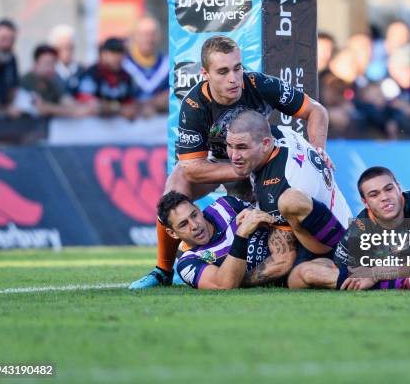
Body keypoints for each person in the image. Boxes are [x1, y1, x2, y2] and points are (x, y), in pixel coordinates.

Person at [130, 35, 329, 289]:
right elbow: (193, 168)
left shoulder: (258, 83)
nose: (234, 79)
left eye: (237, 68)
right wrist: (241, 169)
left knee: (286, 206)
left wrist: (318, 151)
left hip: (262, 162)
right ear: (205, 74)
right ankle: (163, 270)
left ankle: (311, 251)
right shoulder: (194, 104)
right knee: (176, 184)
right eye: (222, 72)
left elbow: (317, 111)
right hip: (227, 166)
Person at [226, 110, 352, 268]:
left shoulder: (280, 186)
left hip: (334, 249)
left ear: (265, 144)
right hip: (342, 220)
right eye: (229, 146)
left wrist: (236, 281)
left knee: (293, 277)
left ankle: (351, 265)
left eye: (242, 148)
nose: (233, 156)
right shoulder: (277, 131)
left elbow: (282, 261)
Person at [145, 191, 296, 290]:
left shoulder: (226, 205)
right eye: (183, 224)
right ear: (173, 234)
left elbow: (271, 217)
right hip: (291, 277)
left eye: (194, 215)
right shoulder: (188, 263)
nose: (195, 225)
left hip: (296, 245)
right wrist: (241, 234)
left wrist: (257, 216)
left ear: (198, 209)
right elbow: (224, 284)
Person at [76, 37, 136, 120]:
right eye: (113, 53)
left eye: (121, 53)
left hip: (119, 129)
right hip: (92, 128)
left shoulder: (126, 76)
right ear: (104, 54)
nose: (118, 57)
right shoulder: (92, 73)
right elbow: (88, 102)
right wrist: (118, 109)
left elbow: (131, 103)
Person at [18, 44, 83, 118]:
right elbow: (40, 109)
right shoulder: (25, 81)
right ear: (36, 65)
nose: (51, 68)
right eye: (47, 64)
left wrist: (86, 107)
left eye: (54, 64)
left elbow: (68, 102)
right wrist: (70, 111)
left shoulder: (53, 79)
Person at [122, 17, 169, 117]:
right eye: (143, 34)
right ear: (134, 36)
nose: (148, 38)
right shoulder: (123, 64)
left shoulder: (167, 65)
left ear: (159, 36)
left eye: (152, 34)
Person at [0, 19, 20, 118]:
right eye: (3, 39)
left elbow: (13, 89)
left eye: (11, 40)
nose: (6, 45)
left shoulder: (11, 59)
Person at [48, 24, 85, 97]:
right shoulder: (49, 73)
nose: (66, 52)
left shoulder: (83, 71)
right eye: (61, 47)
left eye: (69, 47)